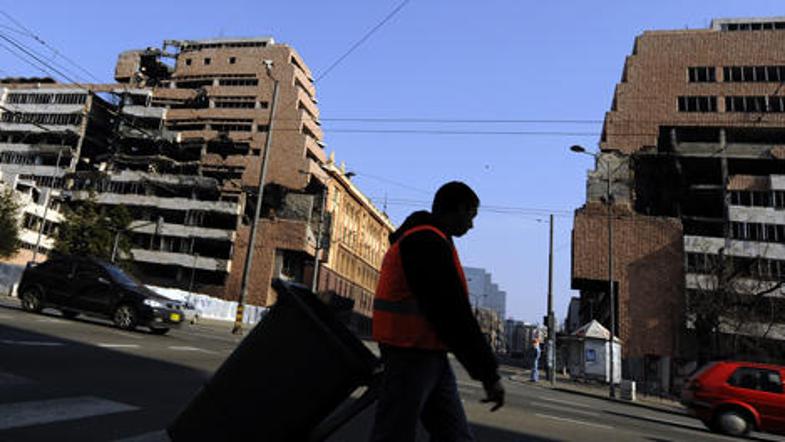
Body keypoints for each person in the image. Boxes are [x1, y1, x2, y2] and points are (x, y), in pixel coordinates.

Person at [370, 181, 504, 442]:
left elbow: (451, 312)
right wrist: (488, 373)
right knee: (395, 434)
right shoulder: (426, 243)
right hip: (409, 355)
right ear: (457, 209)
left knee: (452, 435)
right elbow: (452, 312)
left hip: (427, 354)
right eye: (471, 216)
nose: (472, 225)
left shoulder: (430, 239)